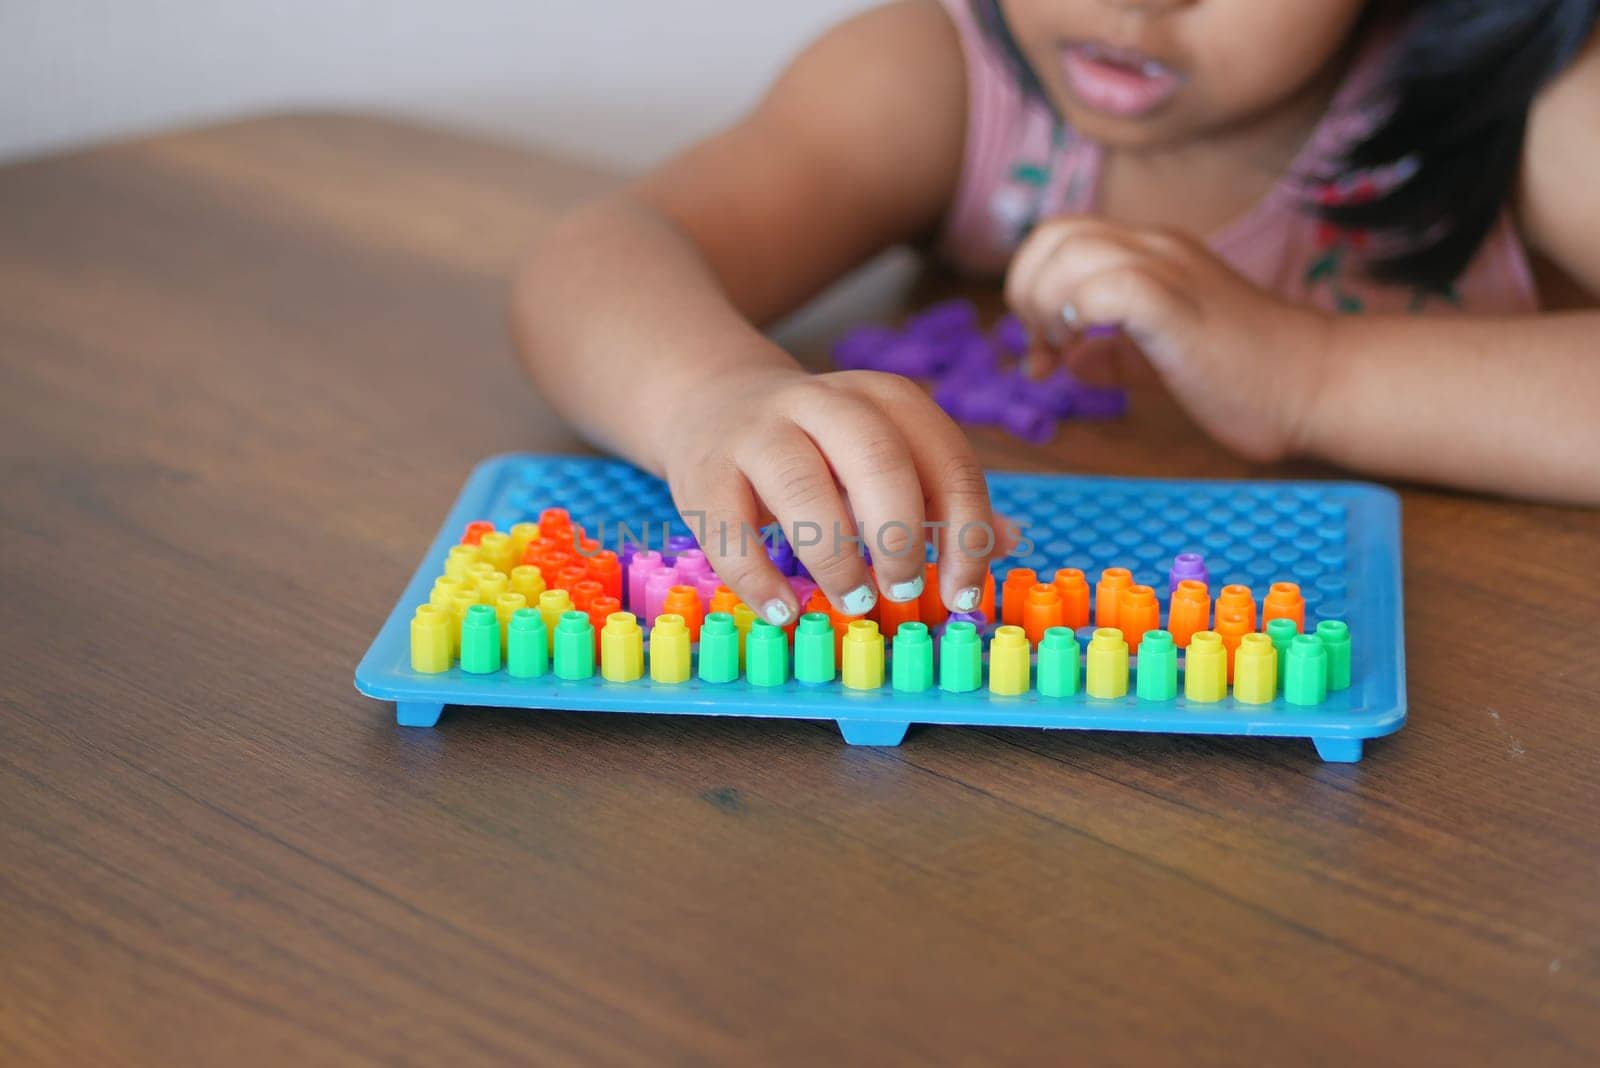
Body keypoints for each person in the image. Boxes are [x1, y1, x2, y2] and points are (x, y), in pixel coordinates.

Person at [513, 0, 1600, 627]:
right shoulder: (935, 74)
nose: (1132, 1)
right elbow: (596, 256)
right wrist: (707, 394)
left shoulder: (1540, 115)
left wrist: (1317, 376)